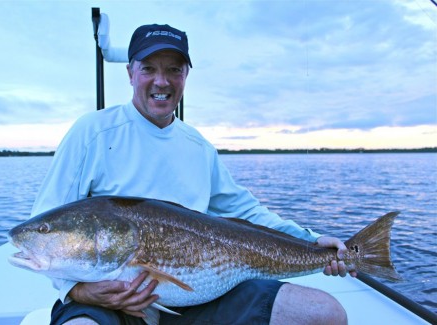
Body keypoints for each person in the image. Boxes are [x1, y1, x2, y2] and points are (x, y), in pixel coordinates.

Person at [31, 23, 355, 325]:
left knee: (326, 314)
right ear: (130, 73)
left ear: (185, 75)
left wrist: (311, 240)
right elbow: (47, 226)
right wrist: (78, 291)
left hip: (195, 299)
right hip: (107, 302)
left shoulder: (199, 148)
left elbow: (244, 211)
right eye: (149, 69)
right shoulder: (93, 132)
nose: (162, 81)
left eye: (174, 69)